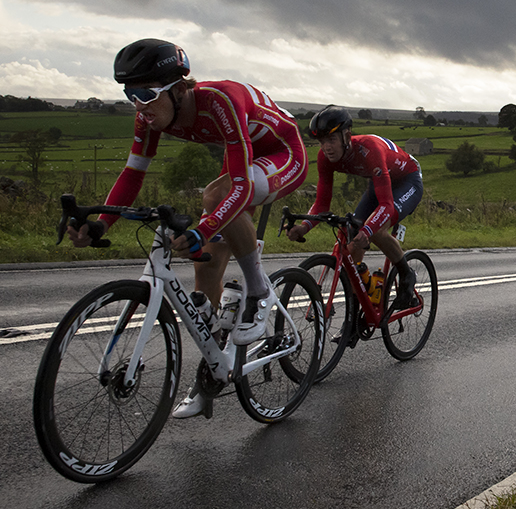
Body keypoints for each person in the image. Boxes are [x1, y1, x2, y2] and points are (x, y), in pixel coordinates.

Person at [68, 38, 308, 419]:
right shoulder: (148, 116)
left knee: (216, 196)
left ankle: (259, 292)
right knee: (205, 265)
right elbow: (132, 174)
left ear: (180, 89)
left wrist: (204, 226)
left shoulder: (220, 101)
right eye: (130, 94)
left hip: (283, 155)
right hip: (243, 161)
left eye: (146, 93)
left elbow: (240, 186)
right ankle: (211, 372)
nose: (139, 105)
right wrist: (100, 224)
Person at [286, 106, 422, 306]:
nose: (327, 147)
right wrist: (304, 226)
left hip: (407, 181)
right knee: (351, 245)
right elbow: (322, 203)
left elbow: (386, 205)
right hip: (379, 183)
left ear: (347, 136)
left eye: (331, 139)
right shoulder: (325, 157)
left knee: (375, 231)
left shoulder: (369, 150)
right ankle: (357, 310)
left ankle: (406, 273)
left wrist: (368, 228)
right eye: (322, 141)